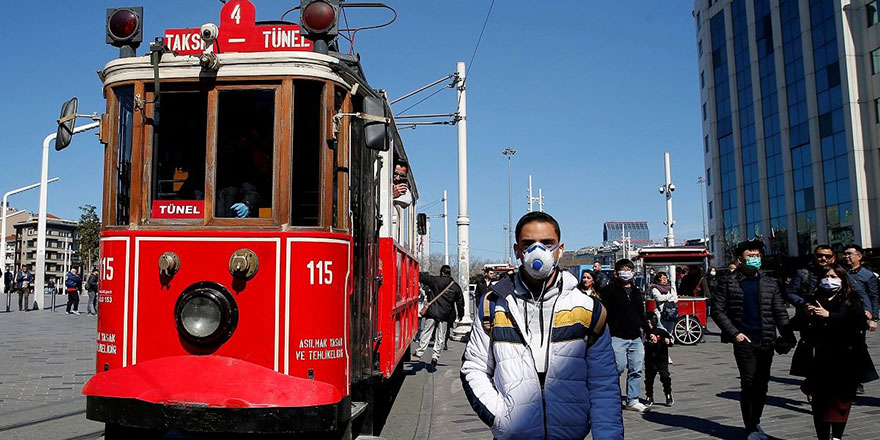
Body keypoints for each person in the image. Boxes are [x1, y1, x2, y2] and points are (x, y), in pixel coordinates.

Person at [461, 212, 623, 440]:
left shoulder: (588, 309)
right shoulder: (494, 304)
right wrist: (501, 417)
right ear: (518, 251)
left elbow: (603, 382)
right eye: (528, 244)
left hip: (570, 434)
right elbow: (474, 367)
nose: (538, 251)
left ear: (560, 249)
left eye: (547, 243)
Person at [711, 239, 794, 440]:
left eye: (757, 256)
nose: (755, 259)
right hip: (744, 340)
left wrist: (788, 334)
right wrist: (734, 333)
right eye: (751, 256)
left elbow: (779, 311)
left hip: (766, 339)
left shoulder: (769, 282)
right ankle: (751, 426)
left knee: (762, 383)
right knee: (749, 383)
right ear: (740, 260)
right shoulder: (728, 281)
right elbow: (717, 310)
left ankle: (755, 419)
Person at [788, 264, 878, 440]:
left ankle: (837, 436)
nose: (829, 280)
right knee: (820, 403)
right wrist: (805, 313)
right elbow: (795, 324)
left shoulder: (852, 299)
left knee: (841, 402)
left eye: (834, 277)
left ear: (843, 280)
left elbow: (858, 323)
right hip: (818, 359)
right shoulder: (813, 299)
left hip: (845, 359)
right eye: (826, 276)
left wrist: (829, 316)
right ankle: (822, 436)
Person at [600, 258, 650, 413]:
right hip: (617, 336)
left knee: (636, 369)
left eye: (629, 269)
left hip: (636, 336)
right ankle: (611, 398)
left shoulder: (636, 291)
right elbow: (604, 313)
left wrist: (646, 329)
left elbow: (640, 312)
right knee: (618, 367)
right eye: (623, 269)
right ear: (616, 272)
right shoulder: (609, 291)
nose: (626, 272)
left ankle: (632, 400)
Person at [787, 245, 869, 313]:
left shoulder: (840, 272)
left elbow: (859, 291)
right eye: (820, 255)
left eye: (827, 256)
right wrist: (804, 303)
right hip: (810, 317)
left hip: (835, 315)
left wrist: (868, 310)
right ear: (814, 256)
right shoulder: (803, 273)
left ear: (833, 258)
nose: (823, 258)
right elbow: (790, 293)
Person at [416, 265, 463, 364]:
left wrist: (424, 273)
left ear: (441, 272)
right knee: (440, 336)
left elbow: (421, 277)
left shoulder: (435, 280)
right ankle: (435, 356)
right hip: (445, 315)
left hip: (433, 312)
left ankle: (419, 352)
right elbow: (460, 302)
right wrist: (461, 314)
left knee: (426, 332)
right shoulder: (455, 286)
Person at [644, 314, 674, 407]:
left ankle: (668, 394)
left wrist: (666, 340)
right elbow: (642, 341)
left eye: (650, 322)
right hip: (650, 359)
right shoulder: (645, 332)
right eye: (647, 322)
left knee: (665, 377)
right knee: (649, 378)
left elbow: (670, 340)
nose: (649, 324)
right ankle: (649, 396)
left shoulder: (661, 331)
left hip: (661, 358)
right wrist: (649, 340)